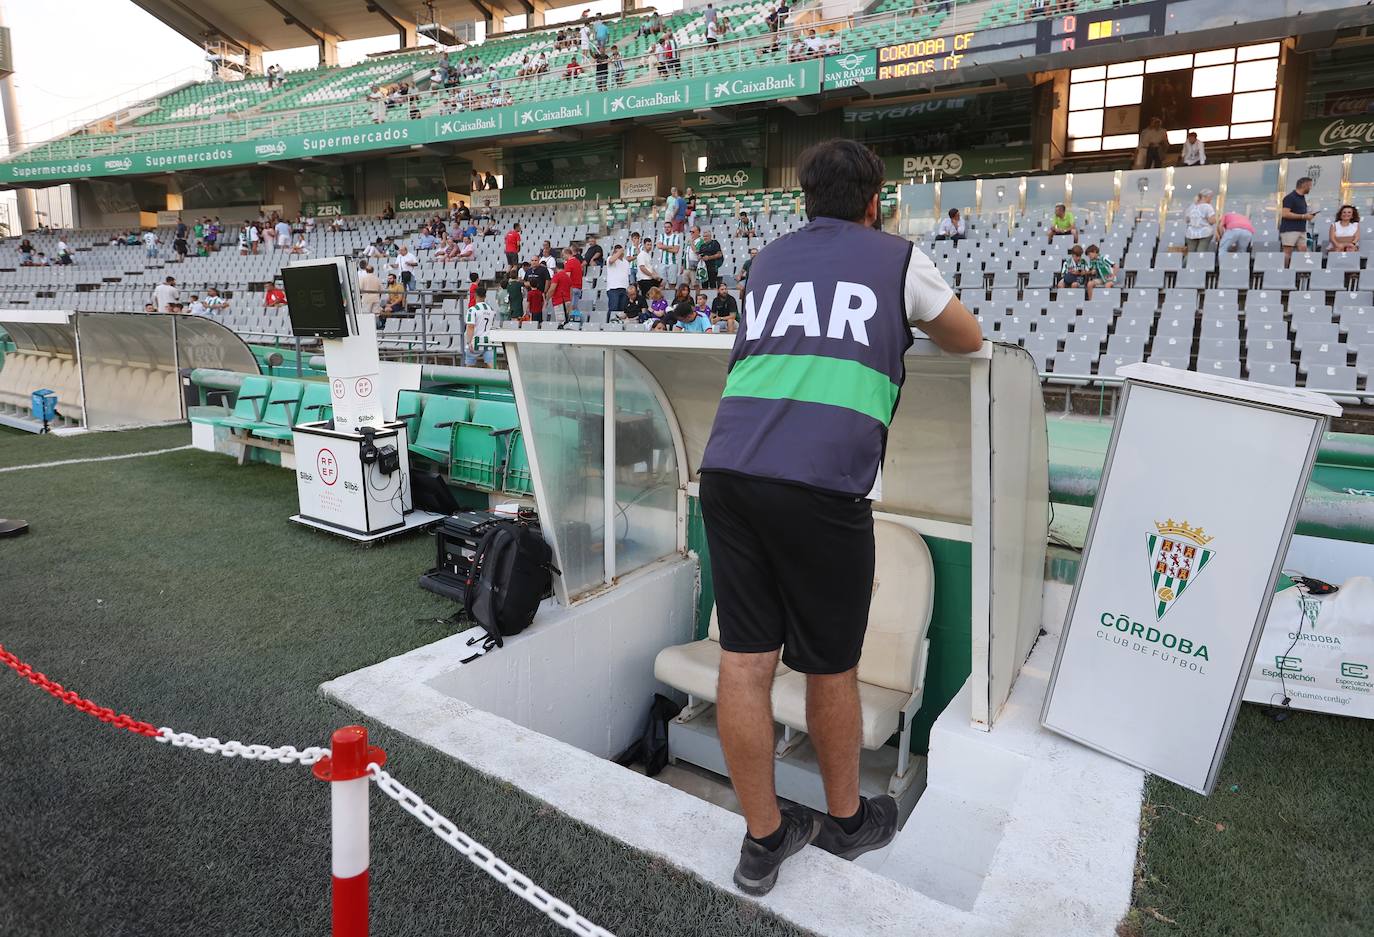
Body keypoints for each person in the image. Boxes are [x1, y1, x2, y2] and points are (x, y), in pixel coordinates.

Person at [697, 140, 981, 896]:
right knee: (831, 666)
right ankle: (849, 821)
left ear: (806, 201)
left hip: (728, 470)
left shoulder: (767, 261)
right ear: (874, 201)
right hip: (821, 486)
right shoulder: (897, 258)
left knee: (745, 661)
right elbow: (968, 336)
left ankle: (763, 840)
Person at [1280, 176, 1316, 266]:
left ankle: (1302, 270)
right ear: (1304, 185)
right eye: (1310, 185)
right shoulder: (1290, 197)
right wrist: (1303, 216)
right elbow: (1285, 214)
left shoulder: (1302, 198)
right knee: (1287, 251)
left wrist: (1308, 215)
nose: (1310, 188)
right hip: (1289, 229)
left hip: (1301, 229)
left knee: (1303, 251)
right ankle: (1284, 270)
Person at [465, 286, 497, 367]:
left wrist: (469, 342)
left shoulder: (472, 310)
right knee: (492, 365)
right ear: (485, 296)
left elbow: (470, 326)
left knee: (469, 366)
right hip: (488, 341)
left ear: (475, 295)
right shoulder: (491, 310)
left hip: (476, 341)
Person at [1183, 190, 1216, 254]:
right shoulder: (1208, 207)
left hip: (1191, 234)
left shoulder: (1191, 207)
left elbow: (1187, 220)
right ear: (1205, 197)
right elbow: (1212, 221)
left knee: (1191, 254)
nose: (1211, 199)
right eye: (1210, 197)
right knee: (1200, 253)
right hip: (1204, 233)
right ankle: (1199, 260)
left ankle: (1188, 261)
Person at [657, 221, 683, 286]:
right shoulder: (661, 236)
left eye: (668, 227)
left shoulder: (676, 237)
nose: (666, 228)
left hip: (673, 263)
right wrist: (671, 247)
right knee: (661, 284)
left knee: (672, 283)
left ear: (671, 228)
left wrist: (663, 247)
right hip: (662, 263)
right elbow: (659, 246)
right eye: (665, 227)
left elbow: (676, 250)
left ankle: (672, 293)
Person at [564, 247, 584, 313]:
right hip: (579, 287)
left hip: (572, 288)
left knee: (571, 309)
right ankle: (580, 318)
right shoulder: (577, 261)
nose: (563, 257)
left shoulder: (569, 263)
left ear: (567, 254)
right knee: (574, 307)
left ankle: (579, 318)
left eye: (563, 255)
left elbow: (567, 277)